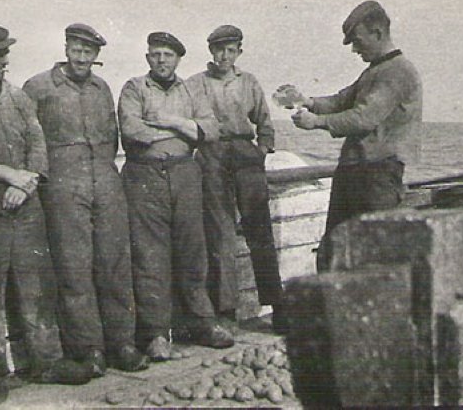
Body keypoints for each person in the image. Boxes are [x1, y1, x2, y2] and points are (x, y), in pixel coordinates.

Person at [0, 25, 93, 402]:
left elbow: (37, 143)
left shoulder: (18, 97)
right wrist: (7, 175)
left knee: (37, 286)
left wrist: (26, 183)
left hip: (25, 207)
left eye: (5, 54)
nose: (3, 61)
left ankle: (47, 362)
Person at [23, 23, 148, 377]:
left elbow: (111, 136)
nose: (81, 57)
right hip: (63, 186)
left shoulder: (101, 87)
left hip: (105, 182)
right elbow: (29, 140)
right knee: (74, 268)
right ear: (65, 49)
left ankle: (122, 343)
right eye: (76, 50)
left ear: (96, 55)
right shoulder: (38, 87)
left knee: (115, 263)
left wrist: (104, 175)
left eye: (88, 52)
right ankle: (88, 348)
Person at [274, 0, 423, 271]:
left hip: (378, 176)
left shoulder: (398, 71)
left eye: (357, 41)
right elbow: (342, 101)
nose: (354, 49)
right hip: (356, 172)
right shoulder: (376, 70)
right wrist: (306, 101)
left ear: (377, 32)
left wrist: (316, 122)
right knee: (335, 250)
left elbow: (363, 117)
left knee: (373, 255)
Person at [118, 31, 235, 361]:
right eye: (156, 54)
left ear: (178, 59)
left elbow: (211, 130)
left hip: (185, 173)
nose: (161, 60)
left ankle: (202, 322)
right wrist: (186, 129)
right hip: (144, 175)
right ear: (147, 58)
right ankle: (156, 333)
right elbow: (133, 131)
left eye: (168, 55)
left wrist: (169, 123)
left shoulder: (192, 90)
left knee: (192, 250)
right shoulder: (134, 88)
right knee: (149, 255)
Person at [187, 25, 287, 334]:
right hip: (212, 156)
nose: (224, 56)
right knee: (221, 235)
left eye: (231, 50)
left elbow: (264, 123)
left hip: (246, 156)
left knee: (260, 231)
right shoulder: (195, 84)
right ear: (211, 51)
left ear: (239, 52)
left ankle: (276, 306)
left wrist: (261, 151)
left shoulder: (249, 82)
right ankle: (226, 311)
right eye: (219, 50)